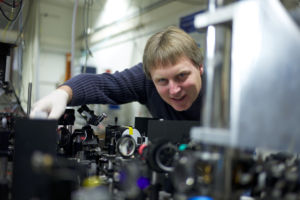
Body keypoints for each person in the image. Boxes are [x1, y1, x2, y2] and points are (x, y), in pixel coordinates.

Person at [30, 26, 205, 121]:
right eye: (162, 81)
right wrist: (63, 93)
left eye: (181, 76)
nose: (174, 90)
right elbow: (104, 85)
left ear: (200, 67)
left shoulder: (226, 84)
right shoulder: (146, 80)